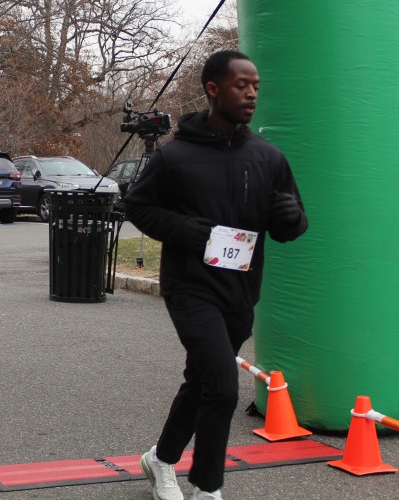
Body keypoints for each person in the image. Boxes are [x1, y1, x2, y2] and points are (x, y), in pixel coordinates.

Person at [123, 50, 308, 500]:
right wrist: (186, 230)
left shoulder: (268, 157)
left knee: (202, 381)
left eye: (255, 86)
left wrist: (290, 216)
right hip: (190, 287)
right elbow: (138, 206)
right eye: (241, 85)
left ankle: (161, 459)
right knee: (223, 389)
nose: (251, 94)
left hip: (240, 292)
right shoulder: (175, 157)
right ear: (213, 89)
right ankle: (208, 488)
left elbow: (292, 227)